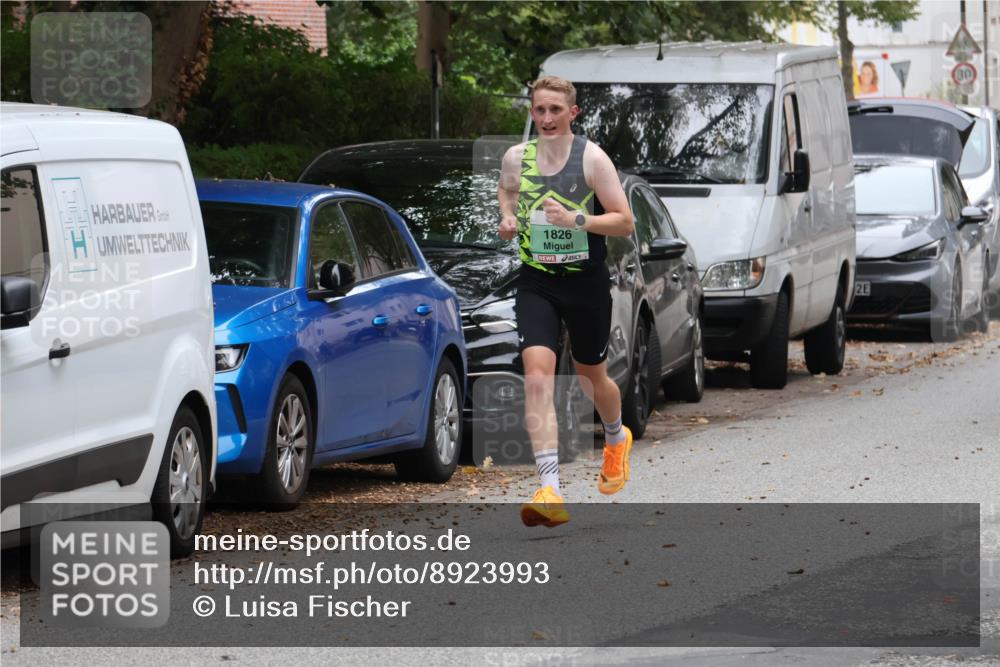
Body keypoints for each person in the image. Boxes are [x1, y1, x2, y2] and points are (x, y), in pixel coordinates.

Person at [497, 75, 635, 527]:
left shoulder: (592, 159)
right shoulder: (517, 158)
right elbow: (507, 190)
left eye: (556, 110)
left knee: (590, 376)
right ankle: (550, 489)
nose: (547, 118)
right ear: (532, 112)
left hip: (585, 282)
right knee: (538, 377)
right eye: (539, 110)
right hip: (537, 280)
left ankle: (616, 438)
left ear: (573, 113)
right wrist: (507, 217)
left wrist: (579, 218)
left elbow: (624, 222)